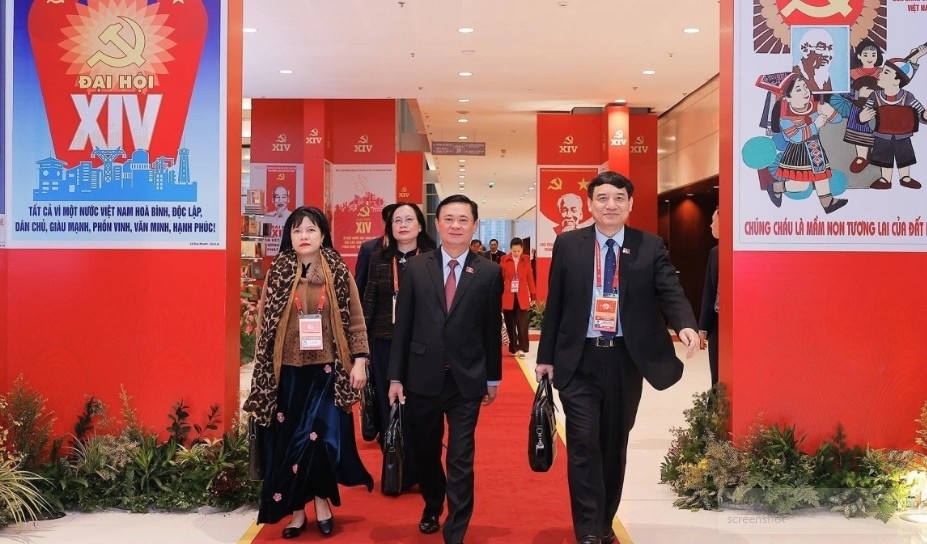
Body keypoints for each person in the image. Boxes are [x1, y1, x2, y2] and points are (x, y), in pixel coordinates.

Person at [536, 171, 699, 544]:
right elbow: (556, 303)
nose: (611, 205)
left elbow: (669, 290)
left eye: (619, 198)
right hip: (578, 359)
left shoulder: (649, 245)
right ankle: (589, 529)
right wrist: (546, 357)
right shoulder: (569, 245)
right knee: (582, 442)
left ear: (630, 204)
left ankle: (604, 521)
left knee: (613, 445)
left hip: (625, 361)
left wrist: (685, 323)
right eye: (603, 198)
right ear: (591, 204)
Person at [243, 206, 373, 539]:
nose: (304, 236)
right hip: (286, 374)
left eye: (311, 230)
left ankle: (323, 505)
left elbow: (355, 320)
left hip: (328, 371)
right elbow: (264, 329)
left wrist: (360, 359)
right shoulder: (278, 271)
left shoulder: (338, 271)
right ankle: (297, 512)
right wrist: (262, 372)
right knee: (288, 443)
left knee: (322, 442)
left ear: (323, 235)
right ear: (290, 236)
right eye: (298, 230)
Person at [388, 194, 503, 544]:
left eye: (463, 220)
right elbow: (403, 326)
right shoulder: (417, 267)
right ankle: (432, 503)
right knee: (425, 449)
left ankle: (456, 530)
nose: (455, 225)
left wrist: (493, 377)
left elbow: (489, 330)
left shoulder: (489, 272)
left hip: (466, 378)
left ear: (474, 225)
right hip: (422, 376)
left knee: (460, 455)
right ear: (437, 225)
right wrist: (395, 376)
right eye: (448, 219)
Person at [362, 201, 436, 488]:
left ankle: (420, 470)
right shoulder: (379, 257)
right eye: (396, 221)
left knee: (418, 408)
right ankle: (395, 469)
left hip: (422, 346)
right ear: (390, 227)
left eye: (409, 219)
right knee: (387, 405)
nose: (402, 224)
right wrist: (362, 348)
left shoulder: (432, 258)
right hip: (384, 343)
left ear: (420, 225)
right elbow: (369, 300)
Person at [766, 73, 847, 213]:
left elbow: (837, 119)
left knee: (822, 176)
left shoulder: (816, 106)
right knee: (801, 185)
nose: (805, 91)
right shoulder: (785, 117)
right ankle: (776, 187)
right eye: (798, 89)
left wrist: (830, 111)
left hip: (815, 148)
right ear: (788, 97)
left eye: (805, 87)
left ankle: (827, 202)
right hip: (799, 153)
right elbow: (796, 137)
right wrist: (815, 125)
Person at [859, 47, 927, 190]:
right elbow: (865, 111)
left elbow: (920, 113)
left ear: (897, 81)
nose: (880, 74)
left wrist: (924, 115)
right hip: (882, 135)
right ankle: (885, 179)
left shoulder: (908, 96)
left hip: (903, 135)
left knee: (905, 156)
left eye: (886, 72)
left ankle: (905, 177)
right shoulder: (875, 96)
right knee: (884, 158)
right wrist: (863, 116)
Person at [842, 38, 884, 173]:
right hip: (858, 107)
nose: (870, 58)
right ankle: (861, 156)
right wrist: (859, 94)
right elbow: (844, 91)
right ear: (859, 56)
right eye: (865, 55)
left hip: (879, 106)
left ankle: (878, 153)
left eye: (873, 54)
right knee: (859, 128)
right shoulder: (852, 73)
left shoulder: (882, 72)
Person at [500, 237, 536, 359]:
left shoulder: (526, 260)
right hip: (508, 295)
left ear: (522, 249)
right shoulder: (504, 259)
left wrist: (534, 294)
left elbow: (530, 278)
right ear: (511, 249)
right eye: (514, 251)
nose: (516, 253)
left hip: (522, 295)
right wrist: (497, 295)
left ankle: (522, 348)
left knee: (522, 323)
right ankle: (513, 347)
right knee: (510, 323)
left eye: (518, 251)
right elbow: (501, 278)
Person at [355, 203, 398, 300]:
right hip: (377, 307)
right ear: (384, 223)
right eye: (391, 221)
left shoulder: (412, 249)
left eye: (398, 221)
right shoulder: (369, 248)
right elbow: (360, 284)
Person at [699, 207, 720, 387]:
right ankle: (714, 413)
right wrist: (703, 327)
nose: (711, 225)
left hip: (739, 324)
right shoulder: (715, 253)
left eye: (714, 220)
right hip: (717, 323)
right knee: (717, 372)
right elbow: (709, 292)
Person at [793, 28, 834, 93]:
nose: (827, 54)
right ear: (805, 49)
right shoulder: (793, 74)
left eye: (830, 48)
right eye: (821, 47)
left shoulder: (825, 77)